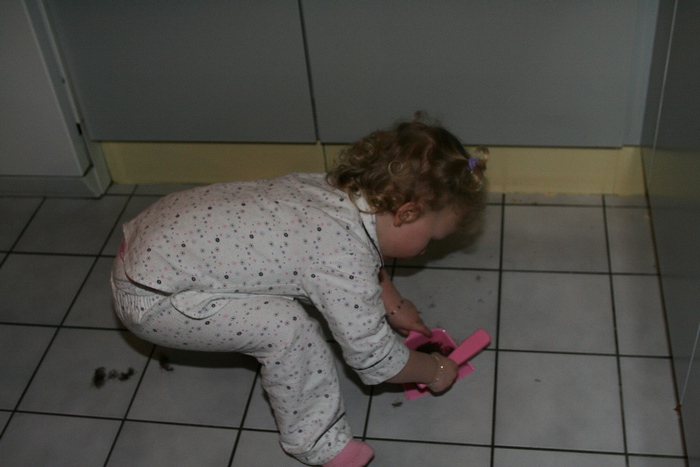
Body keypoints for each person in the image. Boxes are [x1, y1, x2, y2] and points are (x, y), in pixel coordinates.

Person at [110, 115, 487, 466]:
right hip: (154, 299)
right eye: (431, 239)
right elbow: (375, 359)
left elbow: (361, 250)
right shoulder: (342, 257)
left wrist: (394, 304)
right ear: (406, 213)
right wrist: (435, 369)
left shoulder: (337, 190)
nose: (424, 250)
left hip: (150, 242)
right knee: (288, 329)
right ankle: (319, 443)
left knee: (287, 277)